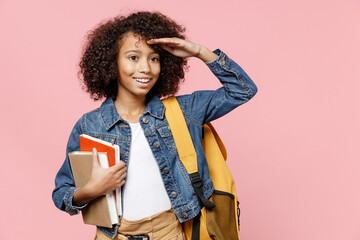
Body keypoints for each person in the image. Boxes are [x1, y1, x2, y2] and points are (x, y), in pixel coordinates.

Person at [52, 11, 257, 240]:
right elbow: (62, 193)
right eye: (133, 57)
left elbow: (242, 90)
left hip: (170, 232)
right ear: (112, 63)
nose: (146, 68)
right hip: (114, 236)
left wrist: (199, 52)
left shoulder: (183, 111)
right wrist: (91, 191)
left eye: (154, 58)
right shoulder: (89, 125)